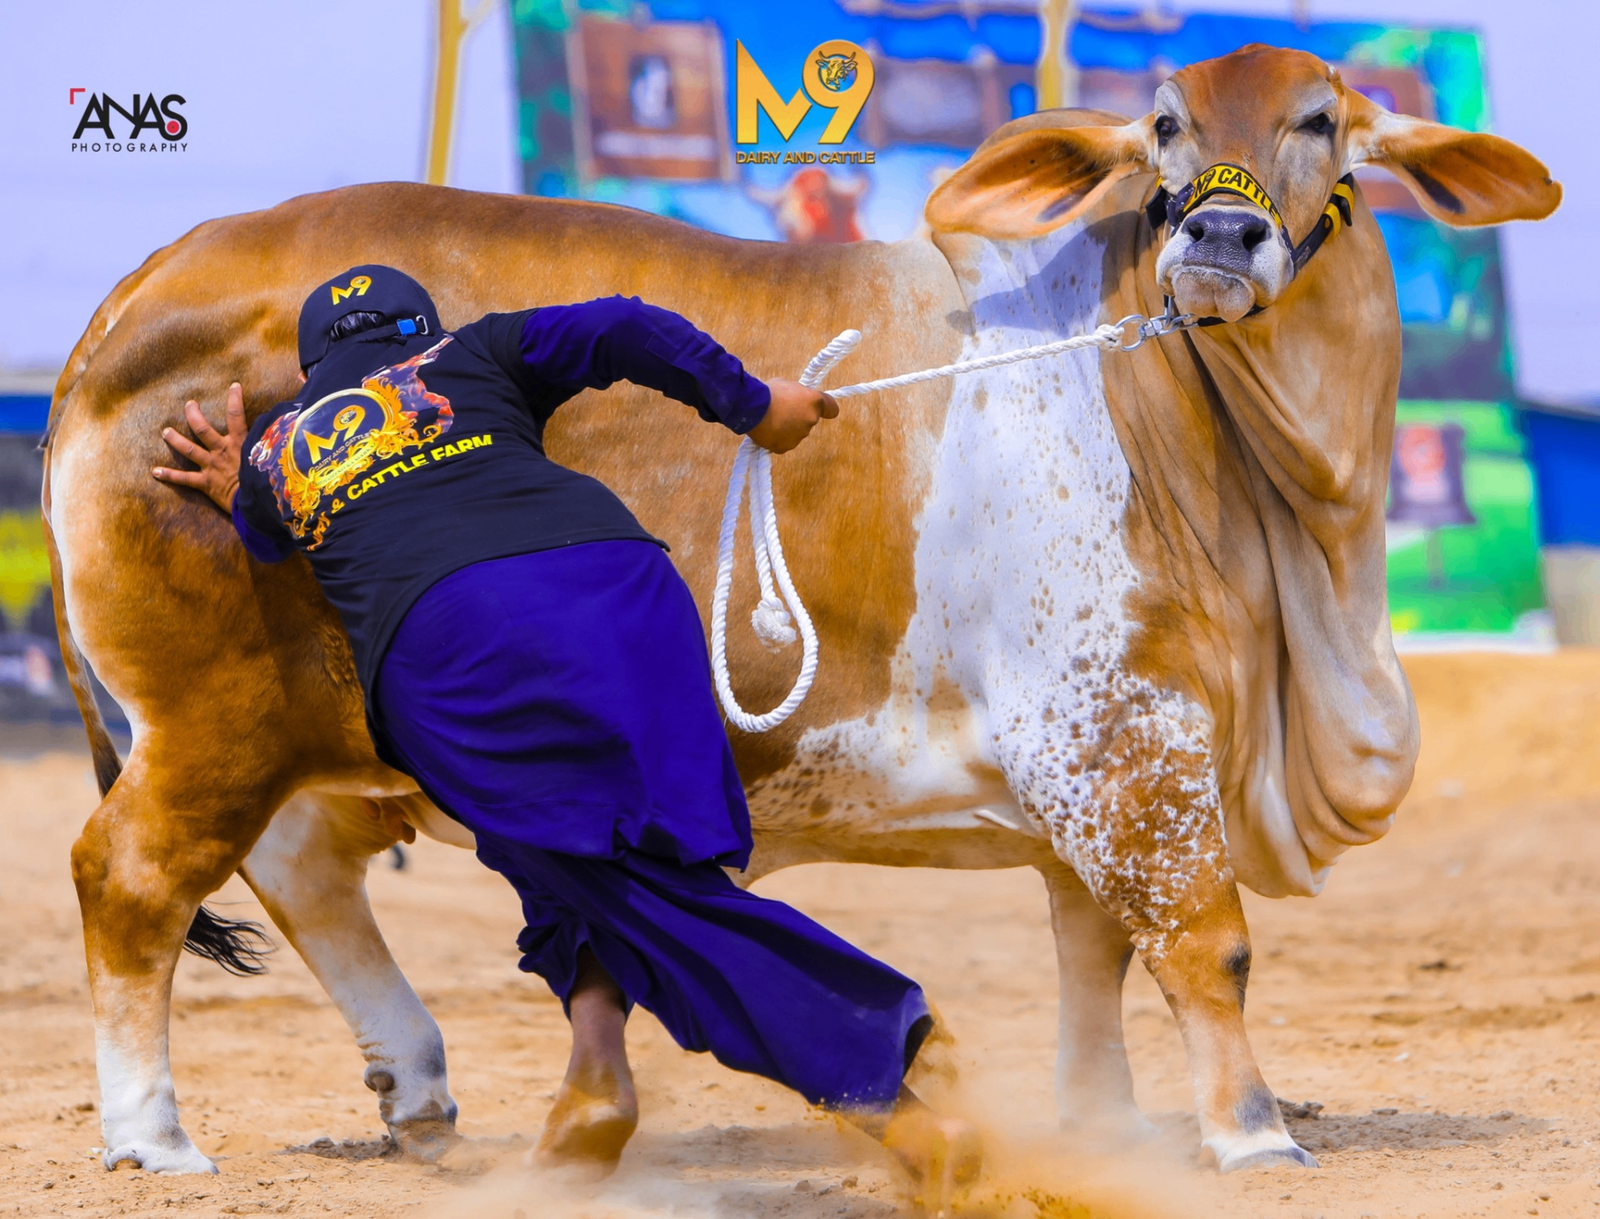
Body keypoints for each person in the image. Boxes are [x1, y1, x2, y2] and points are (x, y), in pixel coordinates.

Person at [152, 264, 976, 1186]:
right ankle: (596, 1072)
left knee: (644, 894)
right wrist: (753, 403)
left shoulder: (275, 449)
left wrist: (237, 482)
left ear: (314, 371)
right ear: (421, 332)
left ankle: (891, 1074)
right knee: (588, 861)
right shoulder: (474, 349)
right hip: (622, 589)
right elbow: (625, 323)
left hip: (452, 644)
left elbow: (265, 535)